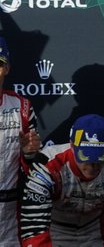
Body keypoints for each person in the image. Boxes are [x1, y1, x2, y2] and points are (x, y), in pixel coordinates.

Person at [19, 113, 104, 246]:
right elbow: (35, 228)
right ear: (72, 145)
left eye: (100, 158)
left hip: (94, 232)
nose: (92, 166)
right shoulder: (48, 164)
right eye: (85, 156)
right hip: (55, 231)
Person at [0, 36, 41, 247]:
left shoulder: (22, 106)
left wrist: (30, 153)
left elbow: (32, 166)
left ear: (7, 69)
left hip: (9, 212)